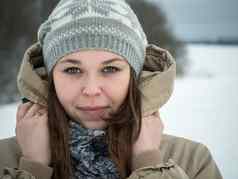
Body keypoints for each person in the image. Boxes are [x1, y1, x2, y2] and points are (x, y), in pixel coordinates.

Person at [0, 0, 223, 179]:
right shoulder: (5, 159)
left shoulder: (192, 161)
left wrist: (150, 165)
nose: (91, 89)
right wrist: (32, 168)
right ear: (50, 77)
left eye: (110, 68)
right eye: (72, 70)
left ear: (134, 76)